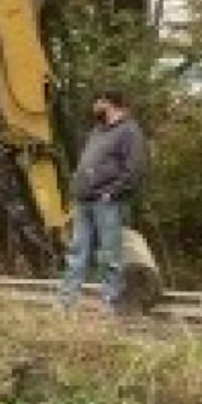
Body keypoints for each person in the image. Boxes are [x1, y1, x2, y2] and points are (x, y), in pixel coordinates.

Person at [59, 88, 148, 312]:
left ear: (109, 103)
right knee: (77, 251)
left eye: (97, 102)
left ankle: (110, 303)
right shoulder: (98, 131)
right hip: (84, 200)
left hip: (107, 202)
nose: (94, 107)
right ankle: (67, 302)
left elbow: (134, 170)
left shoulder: (129, 130)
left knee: (110, 255)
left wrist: (111, 193)